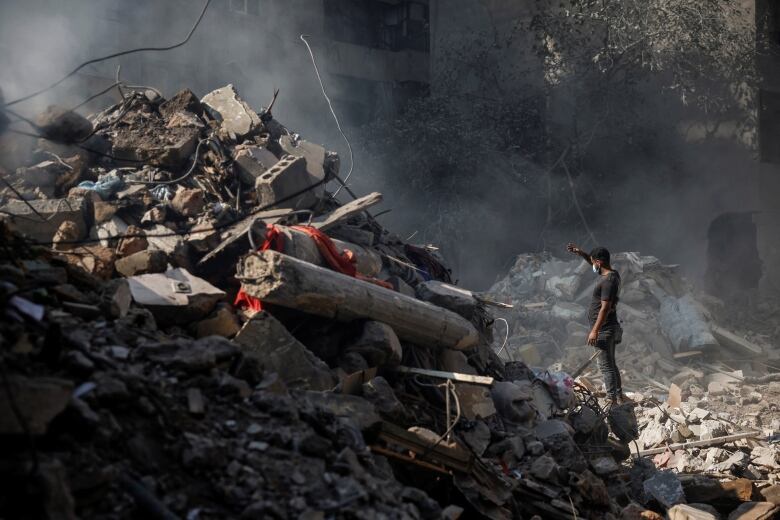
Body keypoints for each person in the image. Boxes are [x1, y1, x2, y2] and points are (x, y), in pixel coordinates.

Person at [566, 243, 629, 405]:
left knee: (606, 367)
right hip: (610, 327)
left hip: (604, 329)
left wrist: (594, 331)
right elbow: (594, 264)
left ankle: (611, 400)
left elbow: (605, 308)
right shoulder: (613, 274)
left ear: (599, 263)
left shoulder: (607, 282)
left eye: (593, 262)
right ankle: (619, 395)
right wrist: (582, 254)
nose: (592, 265)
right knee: (611, 364)